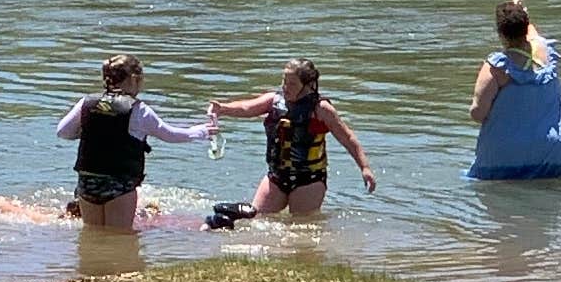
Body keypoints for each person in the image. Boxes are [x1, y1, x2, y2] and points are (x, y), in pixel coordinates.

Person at [54, 54, 215, 230]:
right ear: (134, 79)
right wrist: (201, 132)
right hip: (119, 185)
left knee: (92, 234)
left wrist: (92, 131)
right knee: (120, 238)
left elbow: (63, 132)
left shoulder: (86, 103)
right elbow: (171, 135)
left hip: (87, 183)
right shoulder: (139, 110)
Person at [206, 56, 375, 220]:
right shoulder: (274, 100)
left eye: (292, 84)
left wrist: (365, 167)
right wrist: (223, 109)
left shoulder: (321, 109)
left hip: (309, 181)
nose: (285, 87)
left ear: (308, 85)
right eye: (284, 81)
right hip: (276, 177)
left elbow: (347, 138)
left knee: (301, 229)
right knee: (256, 220)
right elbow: (246, 108)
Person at [469, 0, 561, 179]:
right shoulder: (547, 53)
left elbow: (478, 113)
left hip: (508, 157)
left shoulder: (497, 67)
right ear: (526, 27)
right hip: (558, 152)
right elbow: (533, 36)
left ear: (500, 33)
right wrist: (520, 8)